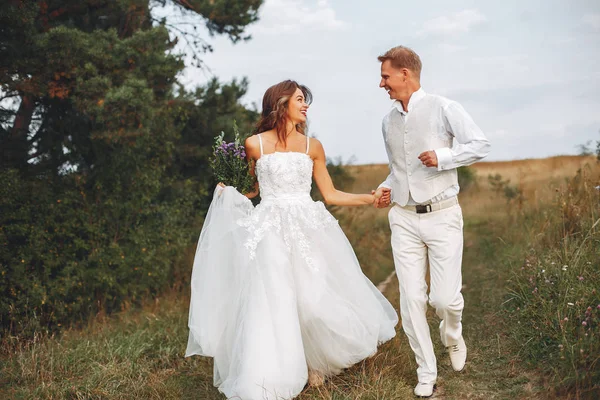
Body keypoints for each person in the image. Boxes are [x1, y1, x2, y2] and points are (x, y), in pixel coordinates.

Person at [185, 80, 398, 400]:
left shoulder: (313, 146)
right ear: (280, 102)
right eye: (300, 99)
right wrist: (228, 191)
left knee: (312, 299)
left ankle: (316, 360)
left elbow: (330, 194)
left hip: (308, 226)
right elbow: (253, 190)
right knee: (275, 298)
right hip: (268, 227)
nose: (306, 105)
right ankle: (275, 371)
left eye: (306, 101)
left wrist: (371, 199)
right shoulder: (254, 144)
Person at [373, 46, 491, 398]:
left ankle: (452, 332)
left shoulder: (444, 107)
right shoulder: (387, 121)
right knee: (411, 300)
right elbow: (399, 171)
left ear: (405, 74)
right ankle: (427, 371)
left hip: (443, 215)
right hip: (404, 218)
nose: (382, 84)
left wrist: (442, 156)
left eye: (385, 76)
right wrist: (384, 188)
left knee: (444, 300)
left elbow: (480, 144)